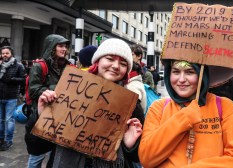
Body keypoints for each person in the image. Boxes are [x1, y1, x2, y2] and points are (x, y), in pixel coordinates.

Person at [42, 38, 144, 168]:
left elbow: (138, 156)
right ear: (97, 61)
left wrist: (129, 145)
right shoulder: (69, 90)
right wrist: (40, 114)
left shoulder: (131, 104)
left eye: (123, 63)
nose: (116, 66)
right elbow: (36, 148)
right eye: (110, 59)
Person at [139, 60, 233, 167]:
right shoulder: (158, 108)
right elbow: (146, 158)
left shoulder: (225, 107)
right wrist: (183, 118)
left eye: (190, 72)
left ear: (202, 75)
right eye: (176, 72)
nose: (182, 79)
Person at [25, 34, 71, 168]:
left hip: (60, 116)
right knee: (37, 154)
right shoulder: (39, 66)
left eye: (66, 46)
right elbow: (33, 90)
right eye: (60, 46)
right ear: (52, 47)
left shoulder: (68, 66)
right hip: (41, 115)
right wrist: (54, 91)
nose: (64, 49)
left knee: (56, 153)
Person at [0, 46, 25, 151]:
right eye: (3, 53)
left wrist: (11, 79)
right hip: (0, 96)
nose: (5, 55)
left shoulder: (18, 66)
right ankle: (1, 139)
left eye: (7, 53)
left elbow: (23, 80)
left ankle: (8, 140)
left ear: (11, 54)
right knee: (0, 120)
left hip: (11, 97)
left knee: (9, 120)